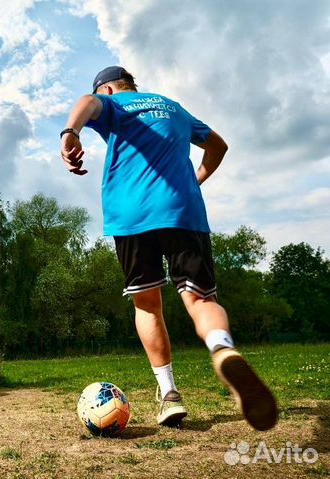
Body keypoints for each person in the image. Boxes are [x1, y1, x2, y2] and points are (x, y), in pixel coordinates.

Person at [59, 66, 278, 431]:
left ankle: (170, 394)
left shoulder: (113, 103)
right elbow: (218, 146)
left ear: (109, 89)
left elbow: (86, 103)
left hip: (131, 216)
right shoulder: (173, 107)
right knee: (202, 301)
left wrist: (71, 133)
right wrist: (194, 181)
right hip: (183, 211)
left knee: (147, 304)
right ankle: (222, 348)